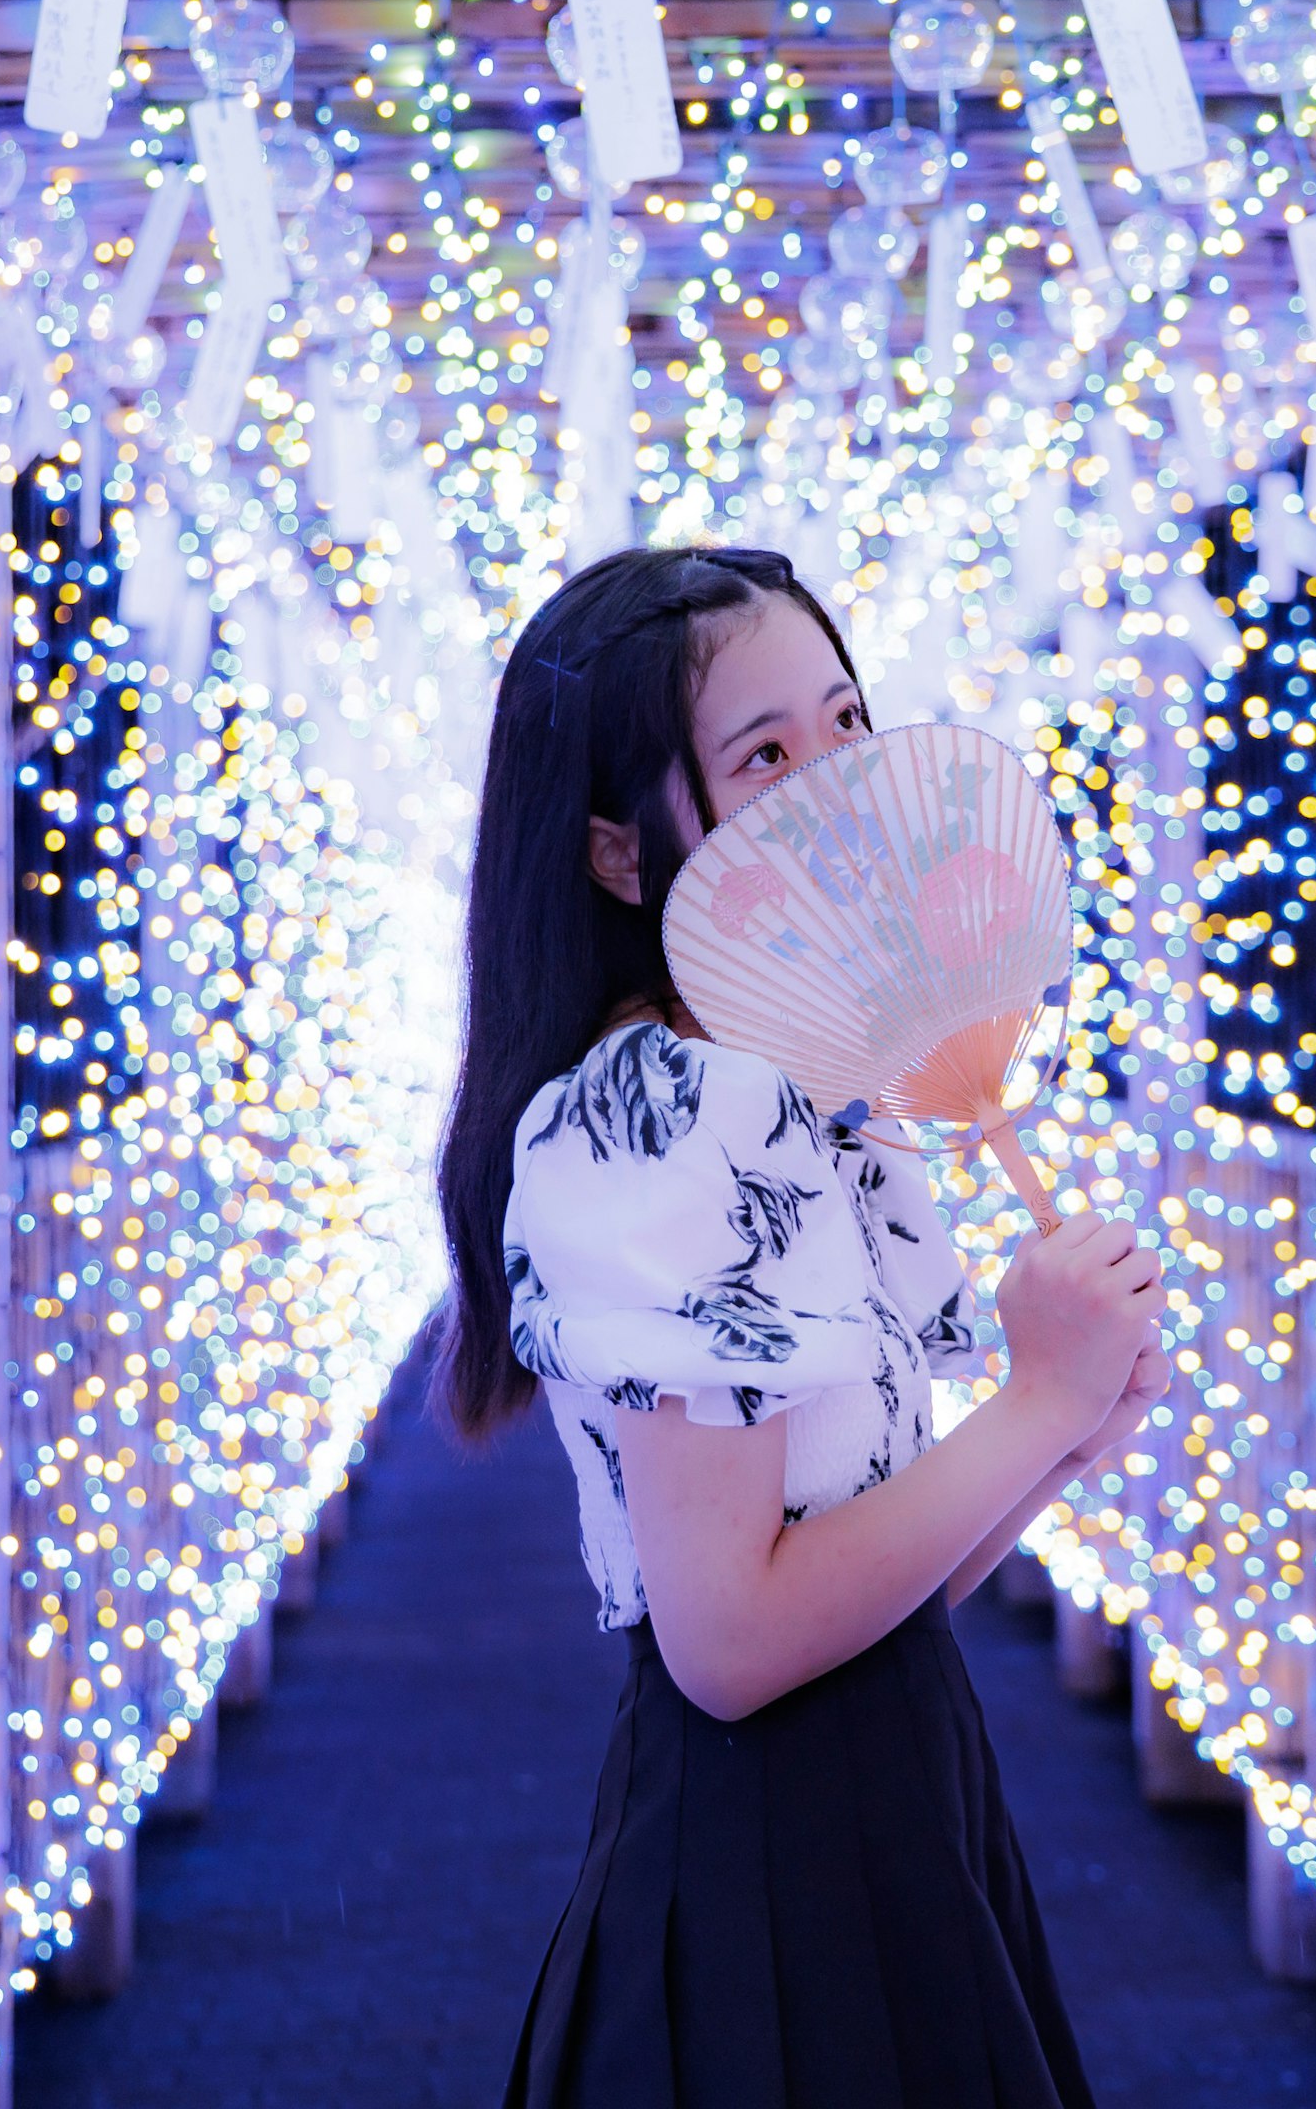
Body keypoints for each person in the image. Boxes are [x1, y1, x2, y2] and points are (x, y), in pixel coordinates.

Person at [434, 543, 1171, 2109]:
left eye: (847, 724)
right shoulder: (666, 1105)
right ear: (622, 857)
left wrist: (1058, 1431)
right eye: (767, 756)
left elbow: (874, 1581)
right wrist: (1035, 1408)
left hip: (891, 1789)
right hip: (783, 1850)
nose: (837, 785)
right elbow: (733, 1646)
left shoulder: (804, 1078)